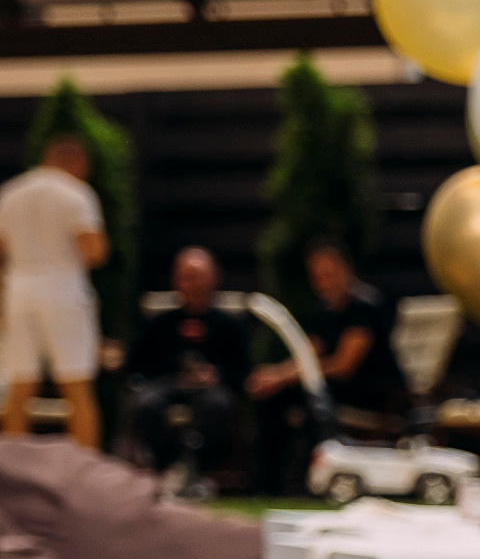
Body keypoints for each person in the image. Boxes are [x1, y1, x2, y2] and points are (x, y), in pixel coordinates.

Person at [248, 241, 405, 491]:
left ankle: (310, 482)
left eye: (330, 274)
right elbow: (308, 354)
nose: (323, 283)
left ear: (347, 270)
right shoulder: (325, 310)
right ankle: (268, 483)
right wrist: (274, 375)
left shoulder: (365, 307)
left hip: (373, 393)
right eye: (317, 277)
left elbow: (343, 366)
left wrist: (283, 379)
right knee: (273, 396)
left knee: (306, 399)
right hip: (334, 389)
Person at [0, 135, 109, 449]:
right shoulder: (75, 193)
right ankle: (84, 472)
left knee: (19, 387)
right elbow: (94, 252)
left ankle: (14, 477)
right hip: (63, 291)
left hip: (18, 291)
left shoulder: (11, 192)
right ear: (75, 162)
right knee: (77, 387)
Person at [127, 247, 249, 496]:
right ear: (175, 281)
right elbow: (136, 366)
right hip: (167, 386)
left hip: (212, 391)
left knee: (220, 405)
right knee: (144, 404)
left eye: (197, 276)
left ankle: (198, 471)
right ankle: (169, 466)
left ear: (214, 278)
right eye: (185, 276)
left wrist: (216, 376)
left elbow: (243, 372)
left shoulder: (230, 325)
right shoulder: (159, 323)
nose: (191, 284)